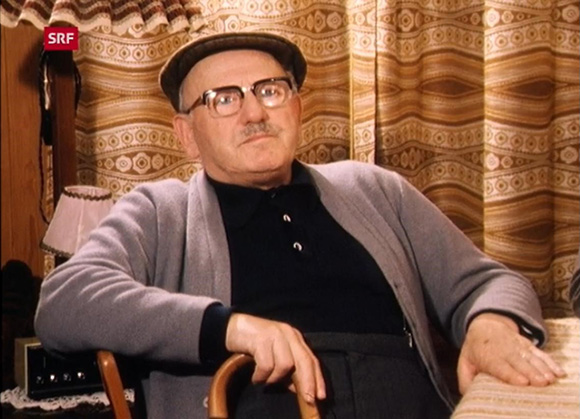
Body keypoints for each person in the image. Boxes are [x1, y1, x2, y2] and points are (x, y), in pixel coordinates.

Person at [35, 31, 565, 418]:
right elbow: (64, 301)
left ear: (297, 107)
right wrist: (231, 328)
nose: (254, 114)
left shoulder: (374, 189)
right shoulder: (159, 211)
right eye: (224, 100)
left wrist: (490, 323)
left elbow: (488, 281)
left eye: (270, 90)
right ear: (187, 135)